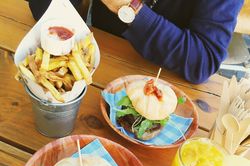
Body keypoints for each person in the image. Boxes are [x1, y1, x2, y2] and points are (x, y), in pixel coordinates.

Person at [28, 0, 244, 84]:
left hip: (162, 89)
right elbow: (50, 12)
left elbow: (203, 60)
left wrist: (130, 9)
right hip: (88, 71)